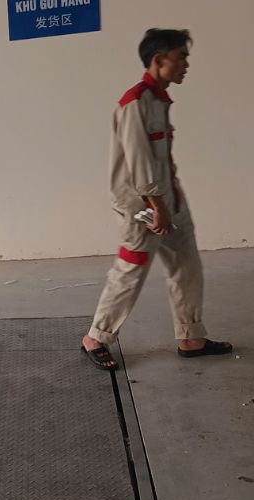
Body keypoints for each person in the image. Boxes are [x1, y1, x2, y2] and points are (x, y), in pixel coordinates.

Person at [81, 28, 232, 370]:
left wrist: (169, 201)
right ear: (159, 60)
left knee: (187, 265)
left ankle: (191, 336)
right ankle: (96, 337)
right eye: (181, 58)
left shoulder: (159, 100)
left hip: (169, 199)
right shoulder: (134, 103)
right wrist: (157, 206)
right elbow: (139, 161)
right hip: (142, 207)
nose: (186, 65)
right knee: (131, 269)